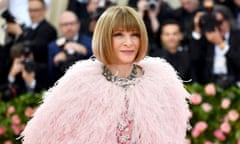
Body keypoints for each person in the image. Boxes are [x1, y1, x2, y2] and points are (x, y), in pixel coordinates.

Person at [21, 6, 190, 143]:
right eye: (119, 35)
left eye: (134, 35)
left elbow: (173, 134)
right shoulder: (80, 82)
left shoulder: (161, 81)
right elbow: (39, 134)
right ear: (104, 38)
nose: (128, 43)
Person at [48, 11, 92, 85]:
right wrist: (55, 62)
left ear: (78, 25)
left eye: (72, 23)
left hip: (86, 85)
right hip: (62, 87)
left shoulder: (90, 42)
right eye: (65, 25)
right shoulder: (53, 46)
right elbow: (50, 76)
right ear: (60, 27)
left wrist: (85, 51)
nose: (69, 27)